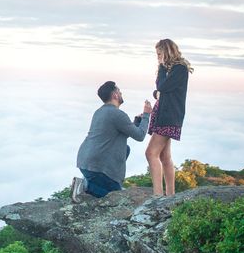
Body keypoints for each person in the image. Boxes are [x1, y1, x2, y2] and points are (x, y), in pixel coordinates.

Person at [71, 81, 152, 202]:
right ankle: (85, 186)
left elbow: (115, 135)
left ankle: (88, 181)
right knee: (116, 197)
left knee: (126, 149)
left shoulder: (99, 112)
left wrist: (136, 122)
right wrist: (146, 115)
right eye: (119, 91)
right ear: (115, 95)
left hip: (85, 162)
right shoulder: (117, 114)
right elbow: (140, 136)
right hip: (97, 168)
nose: (121, 93)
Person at [145, 39, 194, 196]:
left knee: (150, 153)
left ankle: (158, 195)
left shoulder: (179, 68)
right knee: (165, 156)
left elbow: (162, 87)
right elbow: (163, 91)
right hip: (165, 115)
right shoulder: (173, 69)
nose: (158, 57)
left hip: (168, 117)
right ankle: (170, 195)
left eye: (159, 54)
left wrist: (160, 67)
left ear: (166, 52)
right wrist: (158, 93)